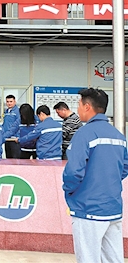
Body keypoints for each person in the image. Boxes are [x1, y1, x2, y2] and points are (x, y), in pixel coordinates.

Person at [63, 88, 128, 263]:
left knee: (88, 259)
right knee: (113, 259)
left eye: (79, 105)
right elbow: (125, 166)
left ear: (87, 107)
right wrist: (106, 181)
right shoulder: (118, 136)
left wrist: (70, 192)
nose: (77, 109)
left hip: (88, 208)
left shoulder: (84, 134)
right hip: (112, 208)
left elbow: (73, 171)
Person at [2, 95, 21, 159]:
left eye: (11, 101)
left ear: (15, 102)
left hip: (14, 139)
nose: (9, 103)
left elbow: (19, 125)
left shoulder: (18, 112)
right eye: (7, 101)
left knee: (15, 159)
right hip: (7, 138)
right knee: (8, 158)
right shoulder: (6, 111)